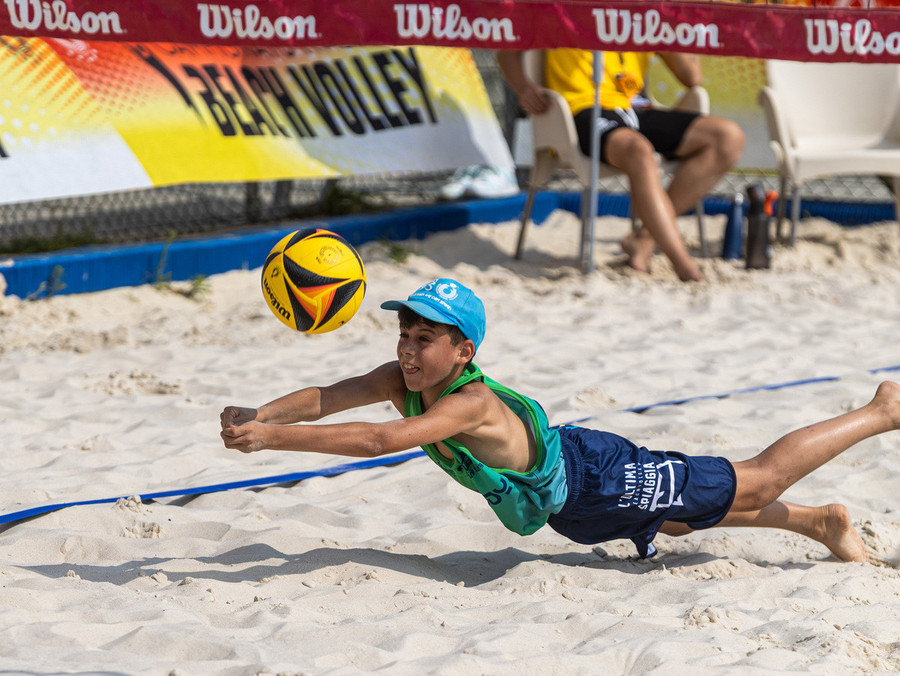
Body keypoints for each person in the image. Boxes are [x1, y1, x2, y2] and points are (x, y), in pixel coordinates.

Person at [220, 278, 899, 563]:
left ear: (464, 351)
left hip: (594, 474)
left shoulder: (467, 401)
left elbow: (380, 439)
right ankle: (820, 522)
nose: (406, 348)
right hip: (566, 509)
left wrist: (272, 440)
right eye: (403, 332)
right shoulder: (401, 378)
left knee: (749, 482)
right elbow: (333, 397)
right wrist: (264, 412)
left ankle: (878, 412)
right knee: (681, 517)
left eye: (425, 338)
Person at [496, 49, 746, 282]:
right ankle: (685, 267)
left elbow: (693, 77)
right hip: (581, 109)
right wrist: (524, 88)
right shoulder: (564, 10)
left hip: (635, 107)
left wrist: (669, 16)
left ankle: (645, 238)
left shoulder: (646, 14)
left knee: (727, 138)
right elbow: (506, 52)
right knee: (639, 151)